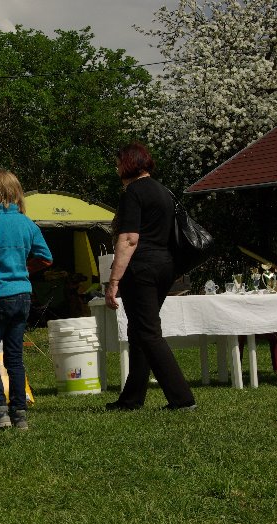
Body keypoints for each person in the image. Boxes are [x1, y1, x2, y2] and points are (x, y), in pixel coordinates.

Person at [104, 142, 197, 411]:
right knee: (139, 331)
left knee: (148, 332)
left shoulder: (133, 192)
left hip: (142, 268)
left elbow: (129, 239)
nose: (116, 169)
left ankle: (182, 399)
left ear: (128, 164)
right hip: (165, 266)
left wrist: (113, 281)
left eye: (118, 163)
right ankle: (131, 399)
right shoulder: (163, 191)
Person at [0, 170, 52, 431]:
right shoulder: (28, 224)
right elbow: (46, 257)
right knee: (15, 356)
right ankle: (19, 413)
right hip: (23, 294)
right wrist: (25, 269)